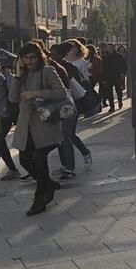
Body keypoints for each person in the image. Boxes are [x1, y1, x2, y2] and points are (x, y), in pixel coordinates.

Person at [10, 42, 66, 215]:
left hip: (45, 123)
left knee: (41, 162)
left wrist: (37, 93)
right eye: (25, 57)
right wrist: (18, 77)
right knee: (25, 160)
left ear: (39, 56)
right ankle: (48, 184)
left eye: (32, 57)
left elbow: (61, 93)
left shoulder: (47, 71)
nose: (29, 61)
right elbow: (12, 98)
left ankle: (40, 199)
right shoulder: (21, 75)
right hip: (26, 126)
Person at [52, 42, 92, 179]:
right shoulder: (50, 67)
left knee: (66, 137)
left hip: (69, 104)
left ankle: (70, 167)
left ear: (61, 55)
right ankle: (66, 164)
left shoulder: (65, 68)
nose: (50, 55)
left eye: (53, 53)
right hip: (56, 105)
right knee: (63, 137)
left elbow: (78, 84)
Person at [101, 42, 124, 112]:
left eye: (111, 48)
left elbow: (123, 66)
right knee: (109, 92)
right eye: (108, 48)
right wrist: (103, 78)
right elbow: (103, 68)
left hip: (117, 76)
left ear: (114, 48)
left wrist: (122, 75)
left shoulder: (119, 56)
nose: (109, 50)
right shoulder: (105, 57)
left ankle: (120, 101)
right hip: (108, 77)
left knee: (118, 91)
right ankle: (112, 106)